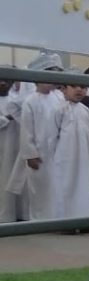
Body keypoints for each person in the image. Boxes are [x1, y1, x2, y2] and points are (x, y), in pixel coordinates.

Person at [9, 58, 64, 222]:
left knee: (57, 186)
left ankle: (57, 218)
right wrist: (30, 154)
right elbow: (26, 131)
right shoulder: (30, 101)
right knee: (40, 188)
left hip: (57, 152)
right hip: (39, 155)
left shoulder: (58, 97)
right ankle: (40, 220)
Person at [52, 84, 89, 226]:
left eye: (83, 87)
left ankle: (87, 220)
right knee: (66, 186)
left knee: (85, 186)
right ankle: (65, 222)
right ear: (64, 89)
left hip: (84, 156)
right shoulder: (58, 109)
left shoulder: (85, 109)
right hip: (65, 157)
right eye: (74, 86)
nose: (79, 90)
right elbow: (52, 135)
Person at [0, 79, 27, 224]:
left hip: (16, 147)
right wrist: (8, 117)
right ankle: (5, 216)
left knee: (17, 179)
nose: (3, 84)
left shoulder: (16, 100)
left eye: (7, 81)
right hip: (2, 147)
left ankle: (20, 213)